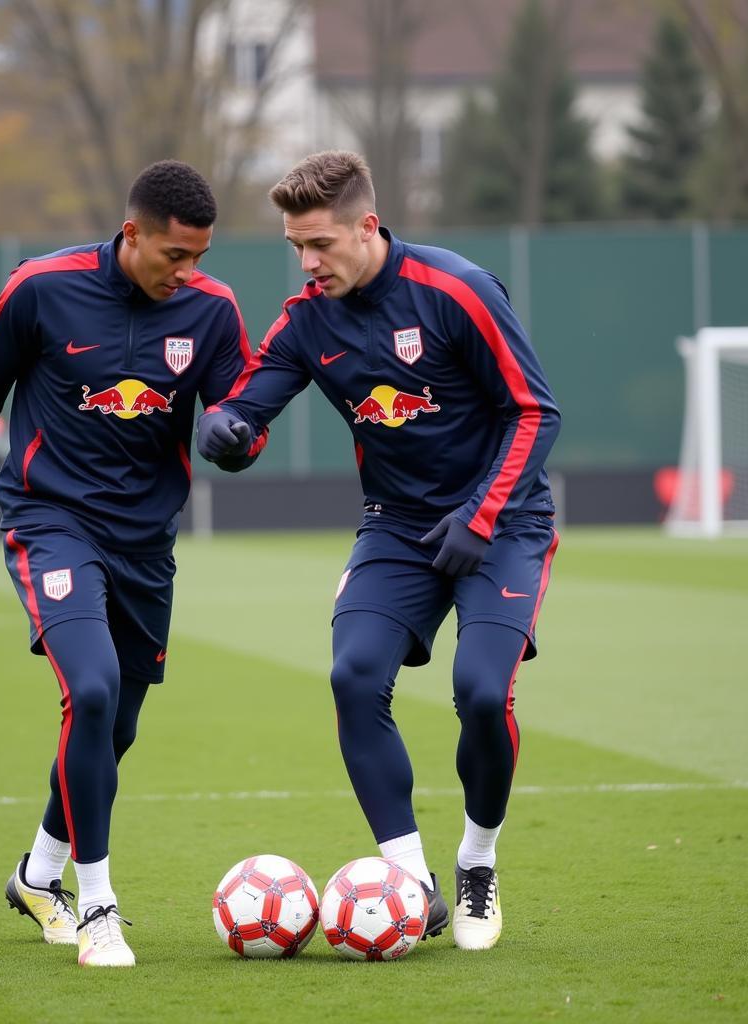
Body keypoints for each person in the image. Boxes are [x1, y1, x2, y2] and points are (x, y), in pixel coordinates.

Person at [0, 160, 259, 968]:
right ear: (132, 234)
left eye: (198, 257)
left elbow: (237, 416)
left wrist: (236, 438)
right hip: (52, 522)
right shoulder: (41, 288)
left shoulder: (213, 311)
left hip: (146, 542)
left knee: (116, 724)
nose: (186, 273)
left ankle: (36, 875)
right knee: (90, 687)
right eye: (173, 256)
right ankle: (98, 906)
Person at [198, 150, 560, 952]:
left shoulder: (457, 289)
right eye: (296, 246)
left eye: (320, 244)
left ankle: (475, 861)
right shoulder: (306, 319)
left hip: (502, 523)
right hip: (396, 525)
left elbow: (536, 412)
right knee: (354, 675)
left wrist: (481, 514)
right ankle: (414, 883)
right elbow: (249, 408)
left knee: (480, 690)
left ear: (369, 227)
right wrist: (227, 432)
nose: (307, 262)